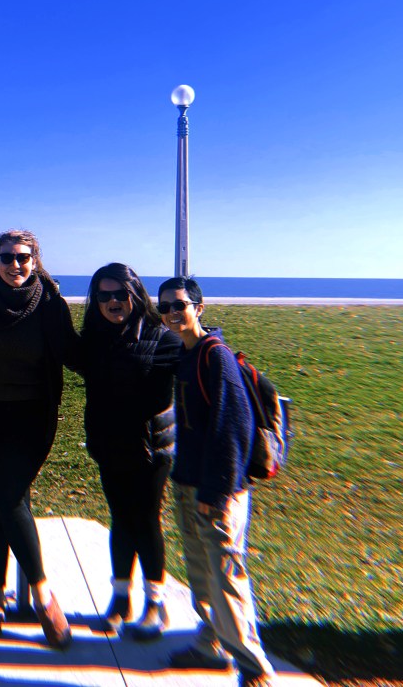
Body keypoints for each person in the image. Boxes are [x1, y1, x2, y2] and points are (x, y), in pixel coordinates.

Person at [0, 229, 81, 649]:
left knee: (9, 497)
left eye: (23, 258)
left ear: (35, 261)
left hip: (31, 417)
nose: (15, 265)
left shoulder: (48, 303)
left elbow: (74, 354)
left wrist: (140, 351)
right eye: (7, 258)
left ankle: (44, 598)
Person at [157, 276, 277, 687]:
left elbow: (234, 429)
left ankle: (255, 668)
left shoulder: (215, 356)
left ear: (199, 307)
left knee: (226, 578)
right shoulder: (186, 354)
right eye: (166, 307)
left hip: (217, 492)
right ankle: (211, 646)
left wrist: (216, 492)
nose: (173, 313)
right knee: (203, 577)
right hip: (189, 484)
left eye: (180, 304)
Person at [81, 263, 180, 640]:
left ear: (135, 294)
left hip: (149, 449)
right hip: (109, 445)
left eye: (119, 293)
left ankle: (156, 603)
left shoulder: (161, 337)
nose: (112, 302)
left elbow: (167, 384)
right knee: (120, 519)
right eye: (103, 296)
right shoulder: (95, 338)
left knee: (145, 520)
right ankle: (120, 599)